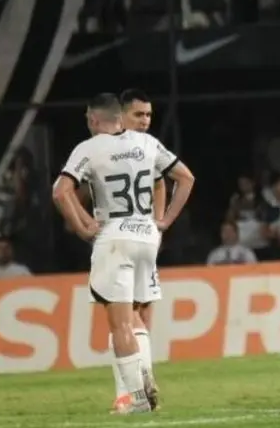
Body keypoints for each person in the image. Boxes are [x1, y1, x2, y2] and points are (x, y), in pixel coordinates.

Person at [51, 94, 195, 415]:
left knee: (120, 325)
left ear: (92, 119)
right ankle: (145, 379)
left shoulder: (89, 148)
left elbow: (60, 192)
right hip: (147, 237)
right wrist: (165, 221)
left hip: (115, 237)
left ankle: (137, 398)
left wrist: (83, 226)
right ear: (121, 116)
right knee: (136, 317)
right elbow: (185, 178)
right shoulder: (147, 143)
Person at [93, 89, 168, 411]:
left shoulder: (134, 148)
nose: (146, 122)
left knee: (124, 316)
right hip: (135, 238)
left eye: (149, 115)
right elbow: (165, 181)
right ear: (120, 116)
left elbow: (163, 182)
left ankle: (133, 390)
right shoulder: (134, 149)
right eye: (139, 115)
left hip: (122, 240)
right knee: (133, 316)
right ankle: (139, 383)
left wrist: (158, 222)